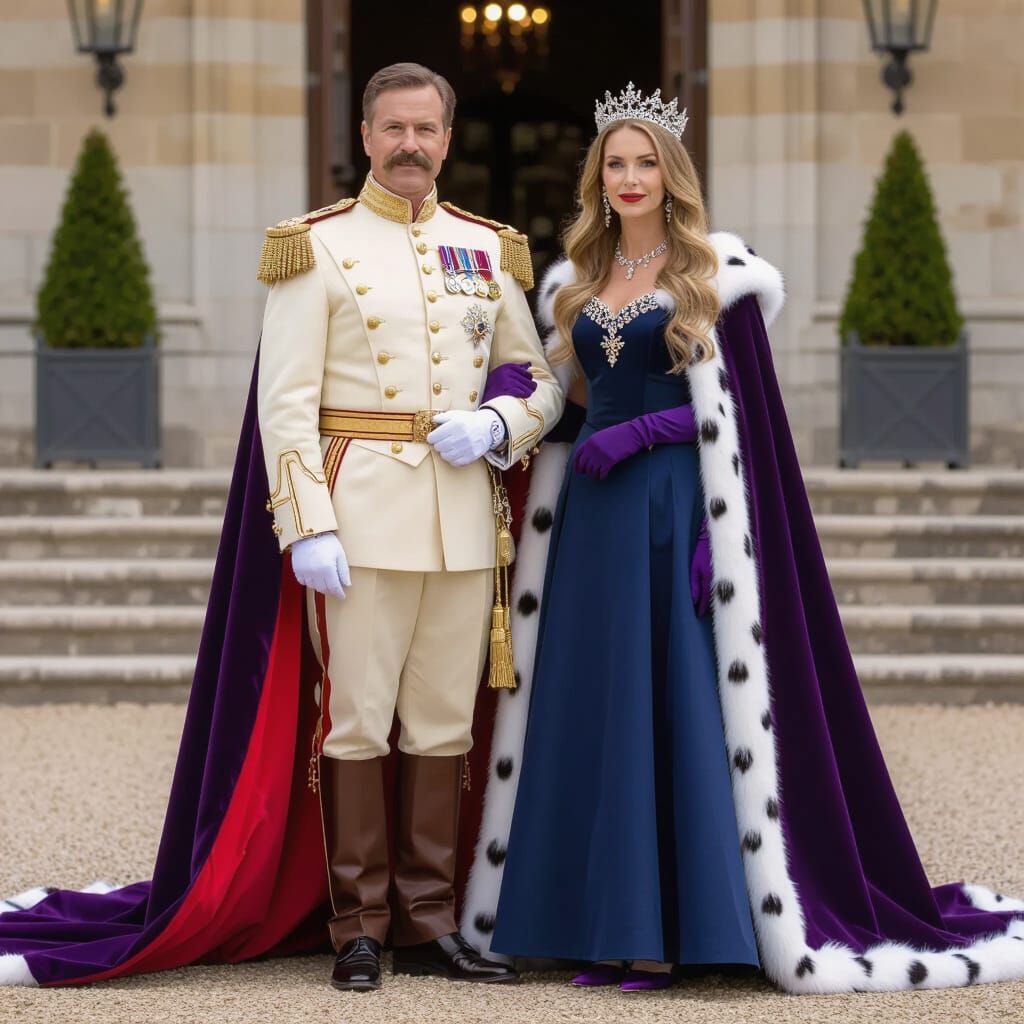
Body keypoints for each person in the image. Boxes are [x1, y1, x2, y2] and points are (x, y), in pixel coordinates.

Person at [0, 63, 561, 992]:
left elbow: (533, 374)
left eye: (426, 130)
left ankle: (427, 918)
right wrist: (308, 523)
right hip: (362, 511)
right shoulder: (317, 246)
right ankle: (359, 925)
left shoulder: (491, 250)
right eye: (394, 130)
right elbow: (285, 402)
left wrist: (503, 424)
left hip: (464, 519)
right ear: (367, 134)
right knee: (353, 726)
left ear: (448, 140)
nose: (411, 146)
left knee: (440, 726)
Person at [459, 83, 1024, 994]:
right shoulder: (573, 286)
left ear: (673, 175)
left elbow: (742, 420)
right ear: (596, 177)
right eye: (617, 163)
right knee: (596, 703)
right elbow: (562, 410)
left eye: (648, 163)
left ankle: (669, 936)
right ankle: (591, 926)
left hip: (675, 508)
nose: (632, 177)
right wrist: (497, 424)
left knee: (672, 699)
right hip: (595, 524)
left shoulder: (714, 278)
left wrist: (646, 439)